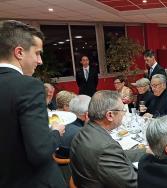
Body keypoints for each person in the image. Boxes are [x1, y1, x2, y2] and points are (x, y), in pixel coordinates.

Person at [0, 20, 66, 187]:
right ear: (19, 52)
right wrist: (56, 132)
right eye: (37, 53)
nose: (40, 61)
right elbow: (40, 151)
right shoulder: (28, 86)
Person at [70, 91, 145, 188]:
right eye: (122, 110)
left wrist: (145, 152)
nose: (124, 114)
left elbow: (117, 156)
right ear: (110, 115)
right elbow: (132, 184)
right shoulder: (106, 147)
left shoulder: (84, 130)